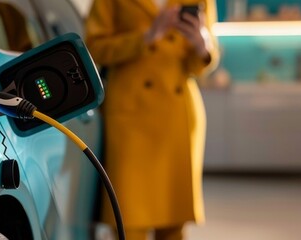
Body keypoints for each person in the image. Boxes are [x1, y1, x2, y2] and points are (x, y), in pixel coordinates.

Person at [84, 0, 219, 239]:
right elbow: (93, 48)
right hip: (130, 116)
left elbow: (201, 63)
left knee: (174, 222)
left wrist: (203, 45)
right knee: (129, 216)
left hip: (176, 113)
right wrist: (146, 37)